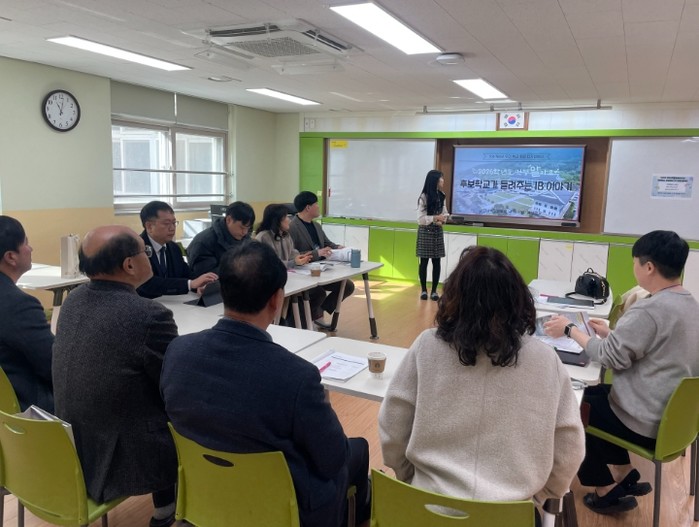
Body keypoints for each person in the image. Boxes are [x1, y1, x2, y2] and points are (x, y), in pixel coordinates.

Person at [161, 242, 371, 527]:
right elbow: (332, 459)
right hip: (284, 510)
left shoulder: (178, 351)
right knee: (357, 449)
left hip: (208, 493)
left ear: (222, 291)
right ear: (276, 299)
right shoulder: (296, 376)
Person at [380, 246, 584, 521]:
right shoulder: (545, 359)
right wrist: (542, 495)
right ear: (518, 299)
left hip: (425, 509)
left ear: (453, 296)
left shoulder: (427, 346)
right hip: (510, 515)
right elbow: (570, 446)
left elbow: (392, 425)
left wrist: (409, 478)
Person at [545, 230, 699, 515]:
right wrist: (612, 334)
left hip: (645, 421)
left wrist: (570, 329)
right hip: (677, 421)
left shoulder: (649, 309)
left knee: (571, 407)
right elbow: (653, 348)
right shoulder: (690, 305)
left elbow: (609, 357)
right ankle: (624, 472)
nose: (634, 267)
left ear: (649, 267)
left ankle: (605, 490)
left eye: (635, 262)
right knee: (593, 394)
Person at [52, 225, 179, 527]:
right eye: (145, 251)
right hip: (121, 454)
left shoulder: (73, 300)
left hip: (71, 444)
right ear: (130, 265)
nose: (150, 256)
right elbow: (173, 383)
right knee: (188, 408)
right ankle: (168, 510)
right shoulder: (148, 315)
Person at [0, 216, 54, 412]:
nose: (30, 249)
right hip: (26, 409)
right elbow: (53, 365)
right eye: (26, 243)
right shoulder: (19, 304)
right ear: (11, 257)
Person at [289, 191, 355, 327]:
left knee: (347, 286)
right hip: (303, 271)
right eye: (316, 204)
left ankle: (318, 312)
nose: (319, 207)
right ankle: (312, 317)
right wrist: (316, 253)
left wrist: (339, 247)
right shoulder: (292, 227)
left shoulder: (316, 225)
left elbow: (326, 243)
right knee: (318, 292)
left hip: (321, 268)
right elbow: (293, 254)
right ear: (308, 207)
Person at [255, 203, 327, 327]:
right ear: (277, 220)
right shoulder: (263, 237)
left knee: (318, 292)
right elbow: (271, 264)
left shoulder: (285, 234)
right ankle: (297, 326)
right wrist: (294, 262)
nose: (289, 219)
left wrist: (300, 258)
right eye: (286, 217)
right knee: (301, 298)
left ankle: (303, 323)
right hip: (271, 282)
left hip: (289, 277)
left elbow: (293, 253)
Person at [136, 200, 218, 299]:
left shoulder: (173, 248)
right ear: (149, 226)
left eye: (174, 223)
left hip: (173, 302)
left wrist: (200, 285)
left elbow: (186, 274)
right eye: (166, 223)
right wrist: (190, 284)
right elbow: (146, 283)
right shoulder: (136, 249)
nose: (172, 228)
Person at [187, 201, 255, 276]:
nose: (245, 232)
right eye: (242, 228)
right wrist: (239, 268)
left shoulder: (244, 238)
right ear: (229, 220)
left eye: (248, 228)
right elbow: (207, 276)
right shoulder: (204, 242)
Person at [416, 169, 448, 301]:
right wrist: (435, 218)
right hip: (425, 232)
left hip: (437, 232)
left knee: (437, 261)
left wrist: (443, 219)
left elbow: (445, 213)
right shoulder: (424, 197)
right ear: (435, 180)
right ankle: (423, 290)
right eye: (441, 178)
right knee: (423, 262)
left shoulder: (442, 195)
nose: (443, 181)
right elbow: (420, 219)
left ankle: (434, 291)